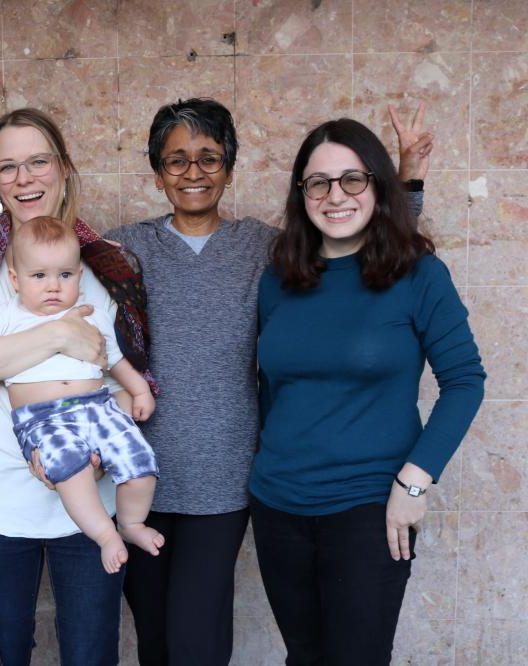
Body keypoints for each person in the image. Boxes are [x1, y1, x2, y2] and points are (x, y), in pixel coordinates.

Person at [101, 98, 434, 666]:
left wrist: (406, 182)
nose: (193, 172)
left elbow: (359, 254)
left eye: (208, 158)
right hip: (133, 474)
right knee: (154, 640)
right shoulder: (122, 247)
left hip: (225, 478)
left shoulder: (265, 248)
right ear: (156, 172)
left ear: (230, 166)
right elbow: (37, 260)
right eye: (176, 160)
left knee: (196, 645)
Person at [0, 108, 157, 665]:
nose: (25, 179)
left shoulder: (108, 265)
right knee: (3, 652)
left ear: (64, 168)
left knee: (92, 653)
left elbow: (128, 370)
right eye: (8, 167)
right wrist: (54, 338)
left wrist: (95, 455)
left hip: (92, 497)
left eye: (38, 162)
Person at [251, 117, 485, 665]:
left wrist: (415, 481)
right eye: (319, 183)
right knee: (304, 658)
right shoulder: (279, 278)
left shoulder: (418, 274)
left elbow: (465, 382)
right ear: (301, 193)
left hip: (370, 506)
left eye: (352, 179)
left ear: (379, 185)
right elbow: (270, 387)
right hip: (277, 504)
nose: (336, 196)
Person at [0, 215, 161, 575]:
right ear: (15, 279)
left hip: (99, 409)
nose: (53, 287)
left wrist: (139, 390)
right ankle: (106, 534)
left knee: (140, 463)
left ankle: (131, 523)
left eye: (64, 275)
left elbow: (116, 362)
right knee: (71, 471)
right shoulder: (3, 317)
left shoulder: (92, 315)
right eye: (39, 276)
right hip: (44, 418)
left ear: (79, 275)